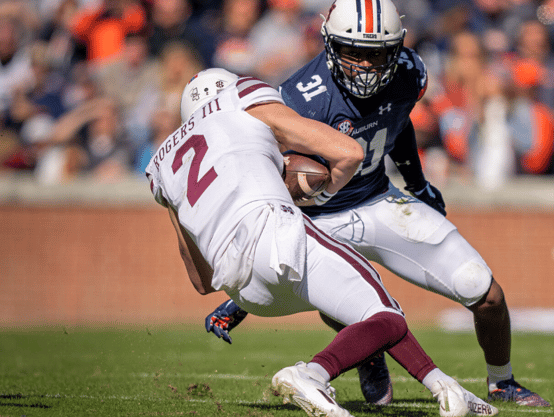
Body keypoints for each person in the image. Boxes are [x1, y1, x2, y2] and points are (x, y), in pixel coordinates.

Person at [205, 0, 551, 408]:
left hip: (377, 197)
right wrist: (241, 299)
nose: (367, 65)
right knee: (357, 302)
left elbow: (397, 122)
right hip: (316, 220)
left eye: (378, 53)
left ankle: (502, 382)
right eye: (354, 52)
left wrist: (418, 184)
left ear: (397, 47)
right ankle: (367, 354)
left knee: (484, 291)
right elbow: (269, 186)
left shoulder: (409, 72)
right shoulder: (299, 97)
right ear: (330, 45)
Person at [147, 68, 498, 417]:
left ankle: (445, 387)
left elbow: (201, 280)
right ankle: (311, 374)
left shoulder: (161, 163)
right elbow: (350, 153)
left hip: (245, 291)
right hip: (274, 232)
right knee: (385, 314)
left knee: (375, 315)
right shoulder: (240, 97)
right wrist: (317, 196)